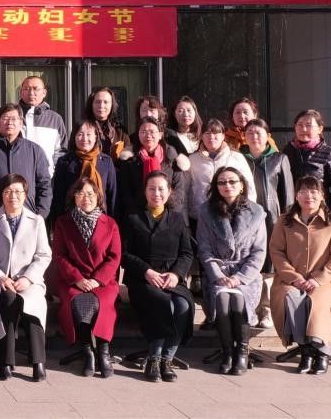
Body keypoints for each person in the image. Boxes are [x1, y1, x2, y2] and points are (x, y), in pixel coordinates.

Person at [119, 171, 194, 382]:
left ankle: (166, 359)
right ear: (145, 191)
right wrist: (146, 271)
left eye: (161, 189)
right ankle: (154, 358)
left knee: (183, 305)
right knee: (162, 303)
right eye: (151, 189)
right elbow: (124, 254)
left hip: (171, 278)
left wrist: (176, 274)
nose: (156, 193)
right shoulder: (133, 218)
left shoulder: (177, 219)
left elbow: (187, 253)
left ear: (169, 192)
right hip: (143, 279)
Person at [270, 176, 331, 375]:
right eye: (303, 191)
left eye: (314, 192)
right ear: (296, 196)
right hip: (290, 280)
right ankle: (306, 351)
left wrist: (317, 279)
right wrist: (294, 277)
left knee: (317, 305)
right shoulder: (284, 221)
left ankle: (321, 353)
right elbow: (276, 251)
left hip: (324, 281)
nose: (309, 196)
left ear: (322, 196)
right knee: (291, 298)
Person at [0, 173, 51, 382]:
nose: (13, 196)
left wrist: (28, 278)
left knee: (33, 305)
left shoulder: (36, 221)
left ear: (25, 195)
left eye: (18, 191)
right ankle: (5, 361)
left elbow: (44, 255)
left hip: (29, 281)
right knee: (7, 299)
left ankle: (38, 361)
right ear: (1, 195)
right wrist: (1, 277)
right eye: (8, 191)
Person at [196, 166, 267, 376]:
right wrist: (218, 275)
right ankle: (227, 352)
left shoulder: (256, 212)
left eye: (232, 181)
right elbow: (204, 249)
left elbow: (259, 252)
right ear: (216, 187)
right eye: (222, 182)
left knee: (237, 300)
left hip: (246, 274)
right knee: (224, 299)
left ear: (242, 185)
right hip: (217, 272)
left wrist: (240, 277)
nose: (227, 186)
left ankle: (242, 352)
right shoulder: (206, 211)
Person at [50, 177, 121, 379]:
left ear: (98, 197)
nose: (86, 198)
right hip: (73, 280)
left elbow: (114, 257)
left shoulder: (110, 223)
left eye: (90, 194)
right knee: (78, 302)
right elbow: (59, 256)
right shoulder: (63, 222)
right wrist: (78, 279)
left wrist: (98, 280)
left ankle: (104, 351)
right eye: (80, 194)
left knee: (104, 303)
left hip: (103, 281)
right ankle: (87, 350)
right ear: (74, 197)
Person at [242, 117, 295, 328]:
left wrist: (288, 221)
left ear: (267, 136)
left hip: (272, 219)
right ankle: (250, 308)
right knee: (249, 261)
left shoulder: (279, 159)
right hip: (245, 220)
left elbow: (287, 195)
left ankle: (267, 310)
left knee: (270, 265)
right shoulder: (239, 158)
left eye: (258, 132)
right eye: (250, 132)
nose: (254, 136)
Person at [0, 103, 51, 217]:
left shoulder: (35, 150)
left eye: (14, 119)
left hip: (28, 217)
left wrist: (41, 213)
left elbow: (44, 185)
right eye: (5, 118)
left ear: (21, 123)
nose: (9, 122)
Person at [115, 117, 189, 220]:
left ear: (160, 134)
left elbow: (179, 191)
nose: (148, 135)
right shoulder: (130, 161)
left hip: (168, 216)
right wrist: (137, 216)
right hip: (137, 217)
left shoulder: (172, 159)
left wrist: (168, 215)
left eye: (152, 132)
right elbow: (125, 191)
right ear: (138, 135)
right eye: (143, 132)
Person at [188, 119, 256, 221]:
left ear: (223, 136)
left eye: (216, 133)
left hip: (233, 215)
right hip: (201, 215)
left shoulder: (236, 157)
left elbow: (249, 187)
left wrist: (247, 213)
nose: (211, 137)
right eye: (207, 133)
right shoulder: (192, 159)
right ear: (202, 136)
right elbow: (186, 188)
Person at [52, 120, 119, 222]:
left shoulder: (106, 161)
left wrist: (113, 221)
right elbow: (59, 195)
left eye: (88, 134)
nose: (84, 138)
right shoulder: (65, 162)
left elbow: (112, 194)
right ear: (74, 137)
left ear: (96, 137)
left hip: (101, 219)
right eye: (80, 134)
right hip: (72, 219)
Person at [282, 109, 331, 211]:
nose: (303, 129)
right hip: (292, 210)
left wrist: (330, 212)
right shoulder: (287, 151)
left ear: (320, 129)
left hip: (319, 210)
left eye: (308, 125)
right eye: (299, 125)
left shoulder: (329, 153)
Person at [17, 75, 66, 178]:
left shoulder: (55, 119)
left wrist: (54, 173)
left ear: (44, 92)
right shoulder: (13, 117)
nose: (31, 93)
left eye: (36, 89)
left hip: (46, 178)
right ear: (21, 92)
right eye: (27, 89)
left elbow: (61, 152)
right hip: (17, 178)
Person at [83, 87, 128, 159]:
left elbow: (128, 157)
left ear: (112, 105)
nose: (101, 106)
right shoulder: (82, 127)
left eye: (106, 102)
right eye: (98, 102)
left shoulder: (120, 130)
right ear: (91, 104)